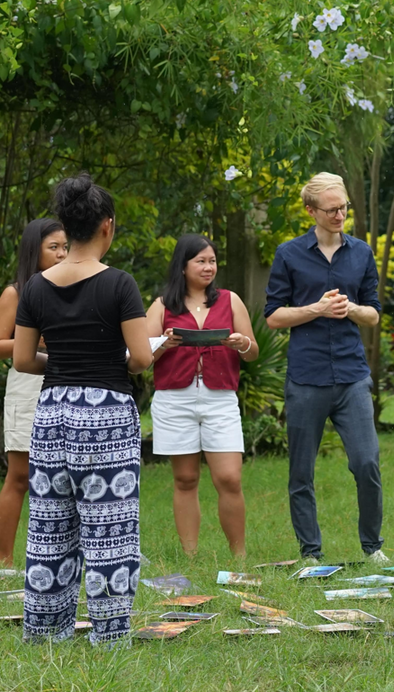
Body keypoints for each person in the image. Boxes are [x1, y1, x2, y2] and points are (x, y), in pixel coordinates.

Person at [13, 174, 152, 647]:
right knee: (108, 530)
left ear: (67, 228)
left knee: (50, 525)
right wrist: (109, 360)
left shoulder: (34, 286)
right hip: (107, 412)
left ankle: (45, 632)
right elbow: (141, 358)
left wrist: (65, 361)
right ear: (106, 227)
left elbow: (23, 359)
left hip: (52, 411)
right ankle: (109, 636)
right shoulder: (119, 284)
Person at [264, 172, 387, 566]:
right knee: (301, 470)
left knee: (366, 462)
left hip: (351, 375)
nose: (340, 215)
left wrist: (349, 308)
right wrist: (316, 309)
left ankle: (373, 547)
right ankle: (311, 553)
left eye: (344, 208)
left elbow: (374, 315)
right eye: (332, 209)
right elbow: (273, 317)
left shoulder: (362, 253)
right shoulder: (289, 254)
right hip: (306, 376)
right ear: (310, 210)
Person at [146, 235, 260, 559]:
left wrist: (242, 344)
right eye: (201, 261)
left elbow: (253, 353)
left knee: (229, 477)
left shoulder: (229, 300)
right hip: (174, 399)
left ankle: (239, 556)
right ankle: (190, 556)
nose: (209, 267)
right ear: (182, 266)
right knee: (185, 478)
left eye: (212, 261)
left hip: (220, 397)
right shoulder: (162, 305)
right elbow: (138, 359)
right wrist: (162, 344)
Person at [0, 218, 69, 567]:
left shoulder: (71, 287)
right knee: (20, 476)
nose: (62, 254)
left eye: (65, 247)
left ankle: (60, 554)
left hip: (65, 381)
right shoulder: (15, 292)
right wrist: (35, 339)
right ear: (33, 250)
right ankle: (4, 561)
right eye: (54, 247)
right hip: (27, 386)